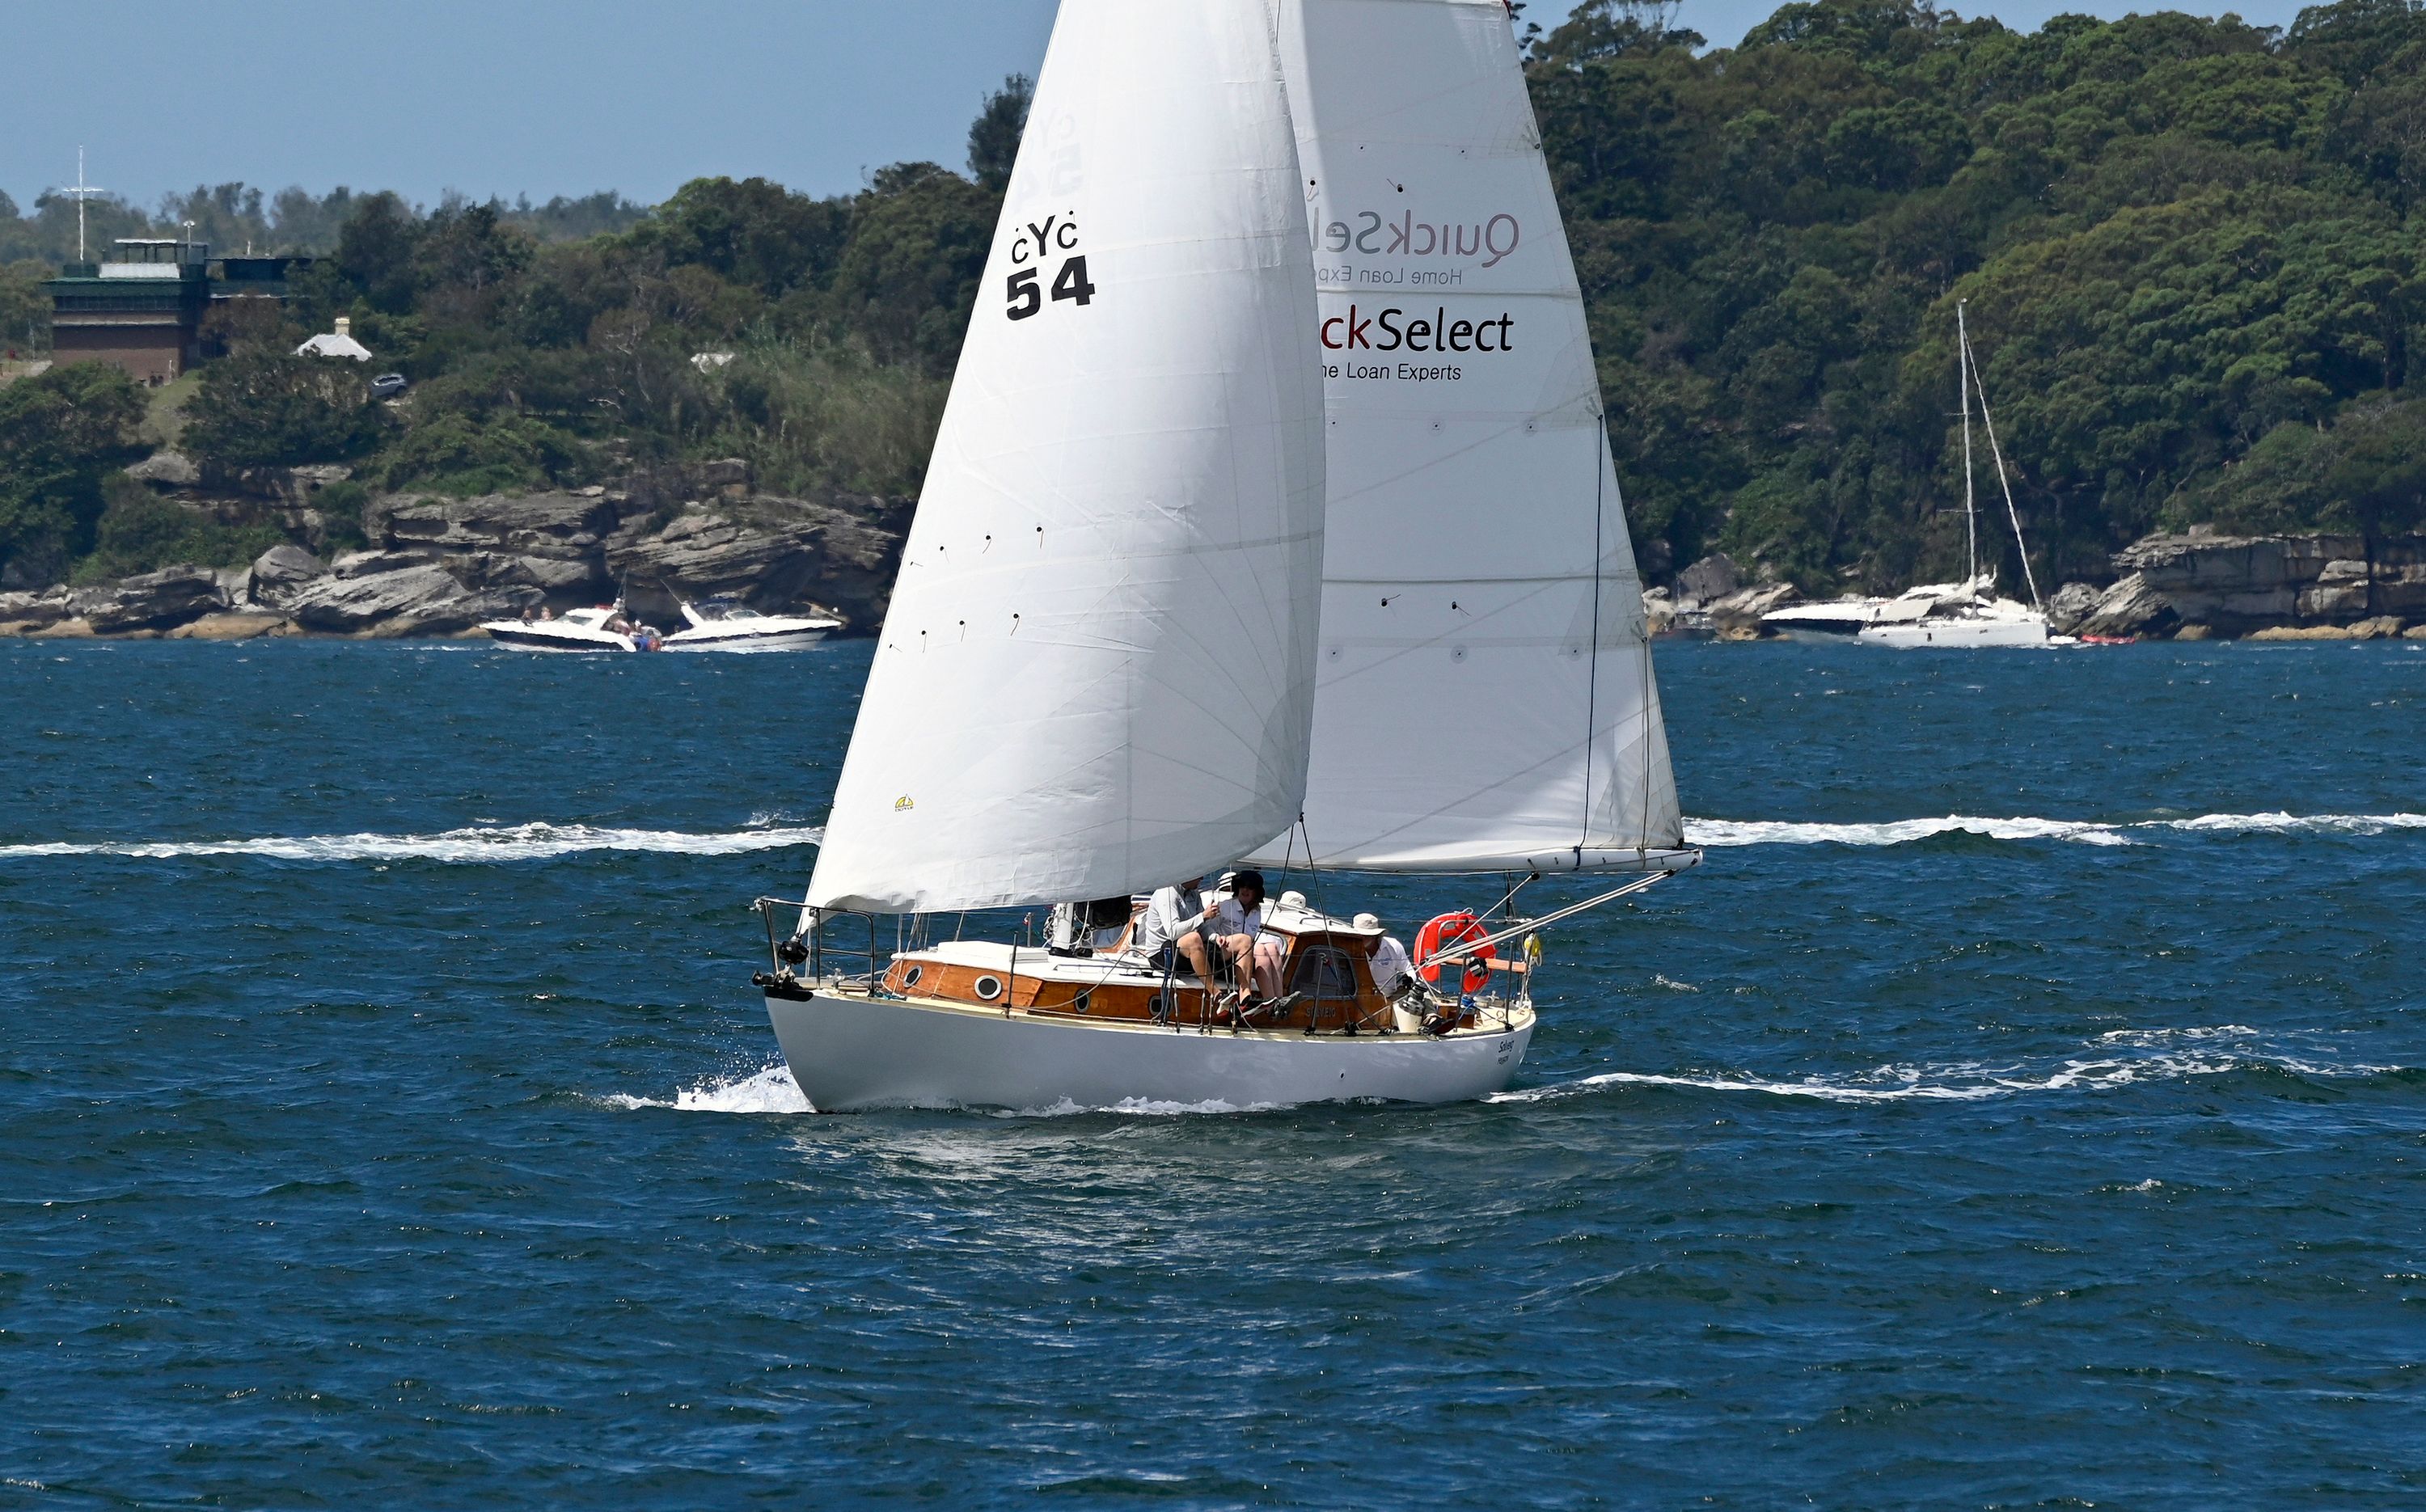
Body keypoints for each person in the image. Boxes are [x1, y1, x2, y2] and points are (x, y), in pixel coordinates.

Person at [1211, 870, 1285, 1001]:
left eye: (1250, 887)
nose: (1245, 890)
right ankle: (1269, 1000)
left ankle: (1279, 999)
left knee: (1272, 948)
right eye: (1242, 886)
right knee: (1260, 949)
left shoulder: (1257, 912)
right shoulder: (1225, 907)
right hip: (1225, 954)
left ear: (1256, 892)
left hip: (1246, 953)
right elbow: (1209, 929)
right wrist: (1218, 939)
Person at [1134, 876, 1215, 982]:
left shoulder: (1194, 894)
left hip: (1185, 950)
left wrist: (1217, 938)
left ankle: (1243, 994)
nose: (1202, 878)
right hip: (1161, 954)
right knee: (1194, 938)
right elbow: (1173, 932)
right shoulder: (1166, 893)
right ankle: (1215, 992)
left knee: (1241, 942)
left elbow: (1202, 927)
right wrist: (1202, 916)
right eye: (1199, 875)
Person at [1357, 912, 1415, 997]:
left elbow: (1409, 970)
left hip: (1389, 998)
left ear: (1375, 935)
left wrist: (1410, 979)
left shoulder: (1394, 946)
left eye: (1366, 935)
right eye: (1359, 935)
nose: (1362, 938)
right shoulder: (1349, 948)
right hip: (1359, 998)